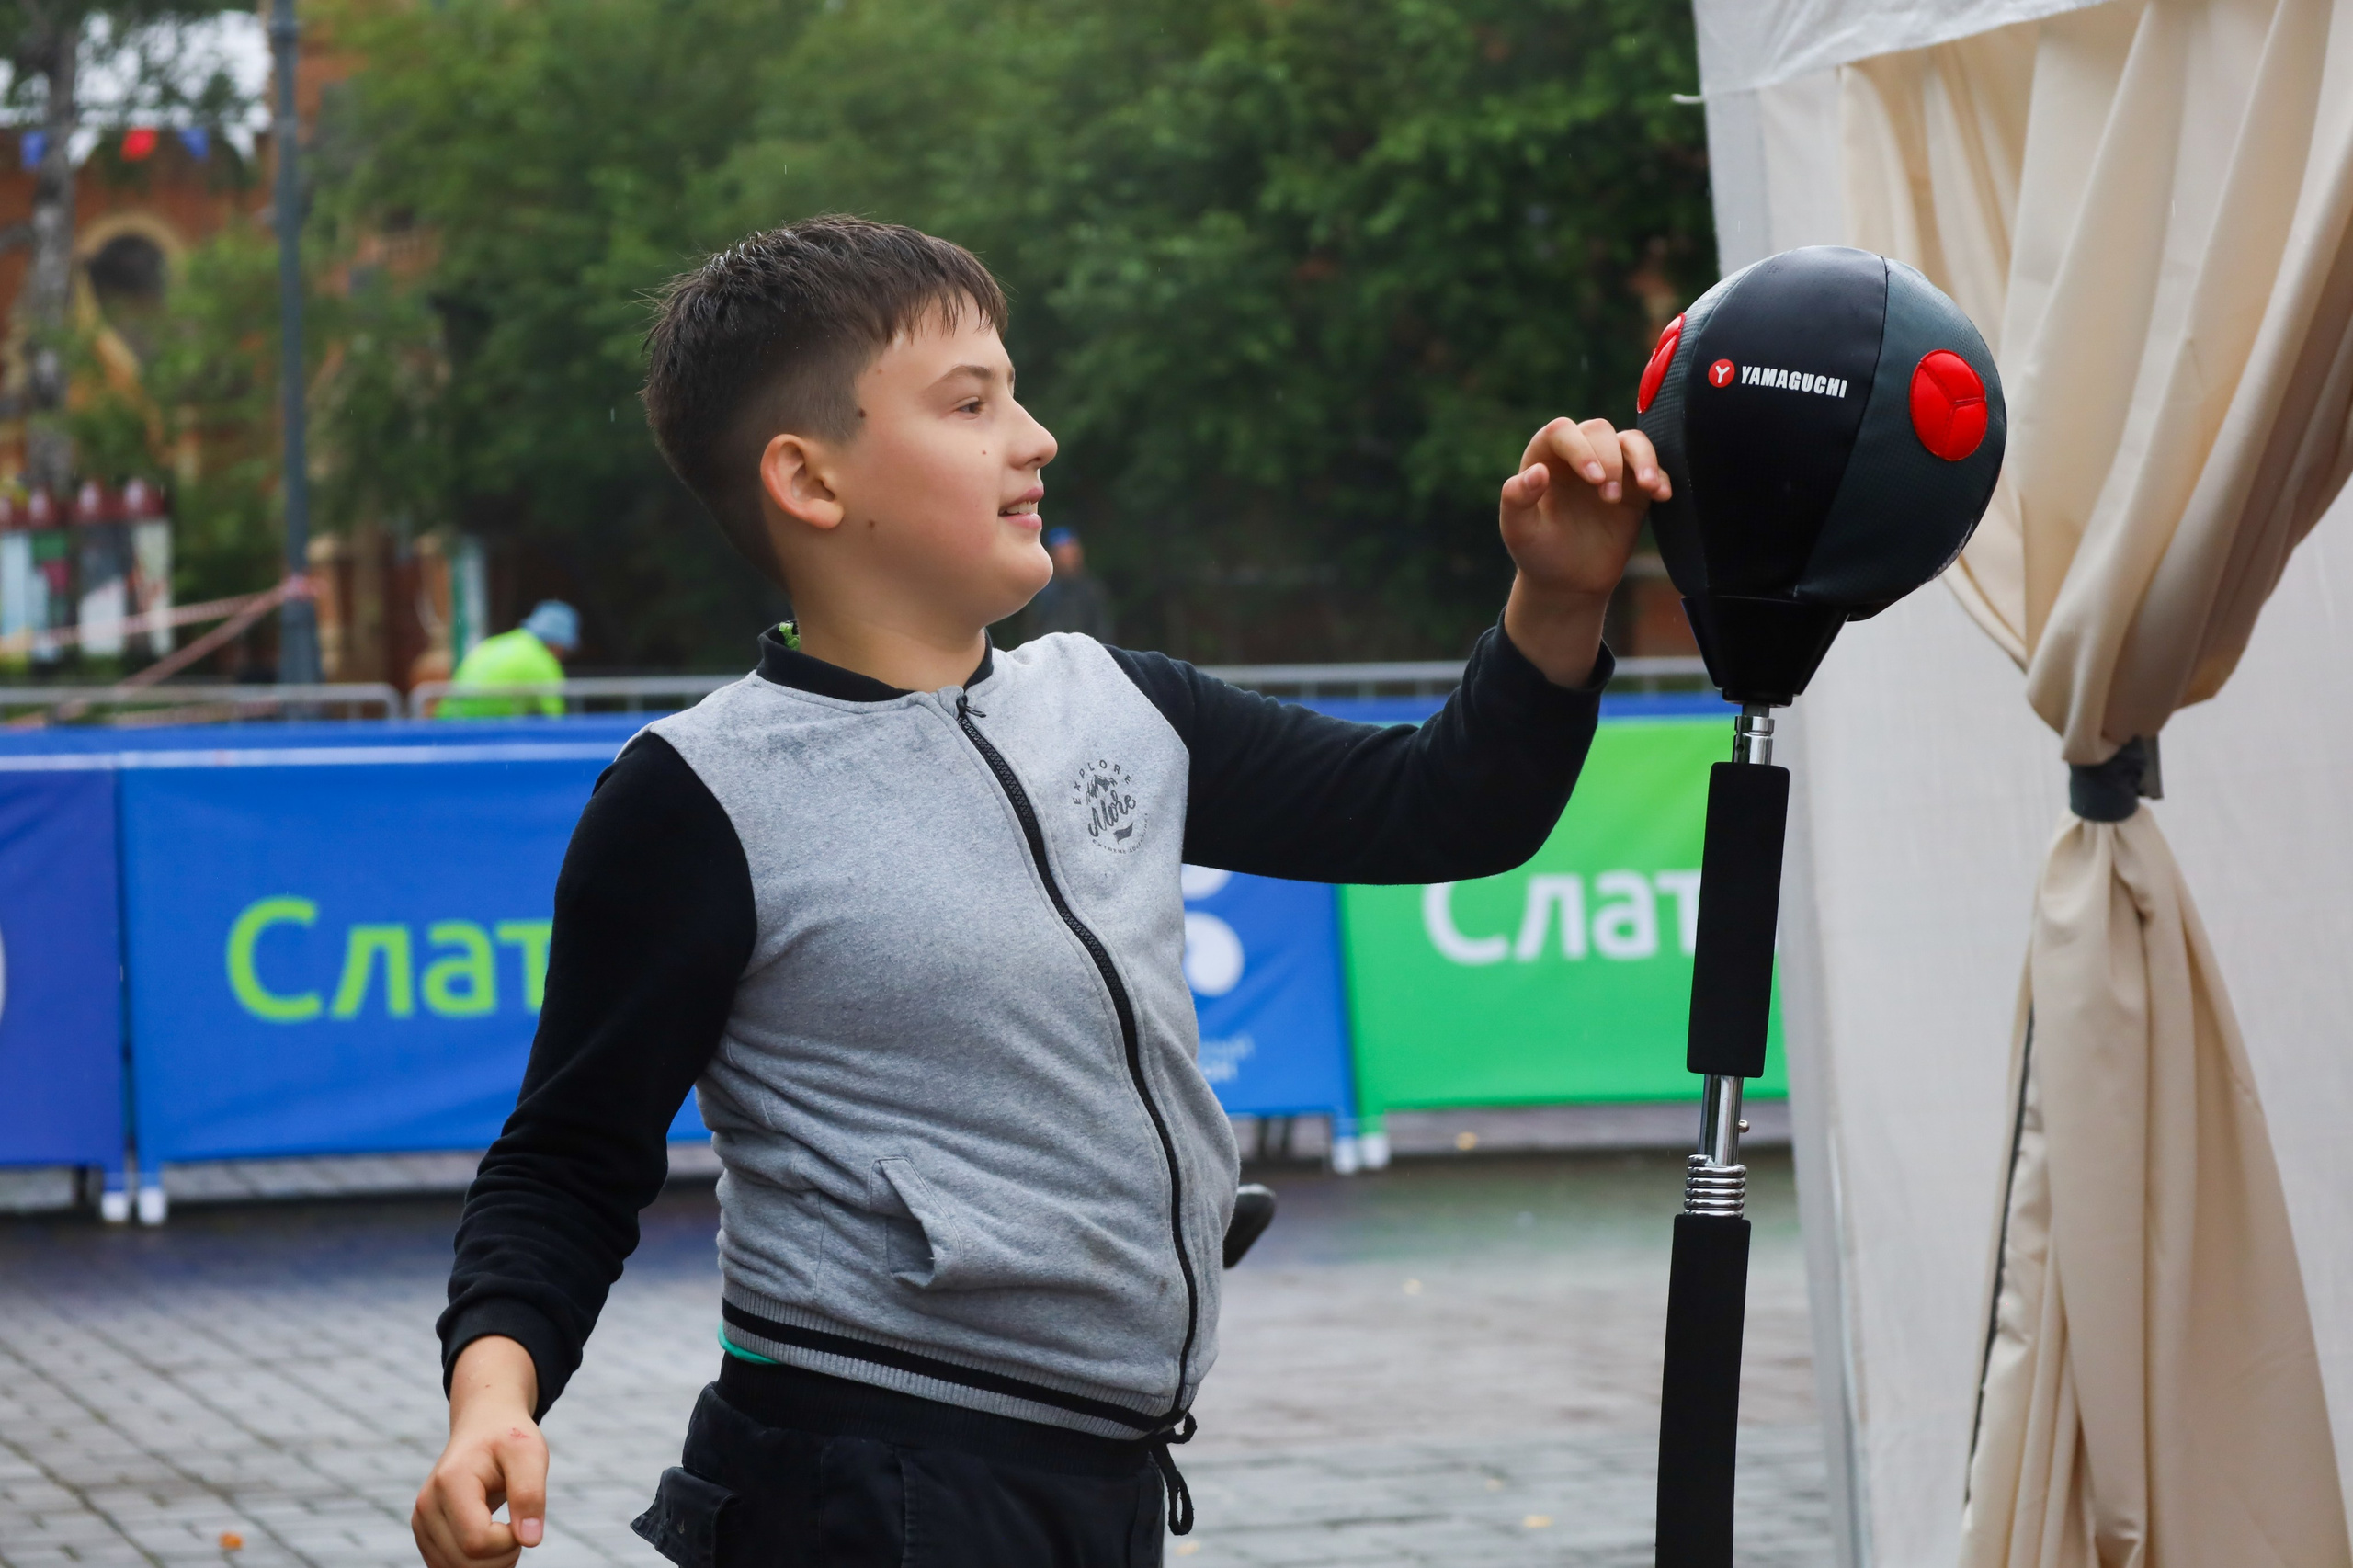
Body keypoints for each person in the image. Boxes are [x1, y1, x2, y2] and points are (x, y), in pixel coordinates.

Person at [412, 216, 1665, 1568]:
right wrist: (493, 1400)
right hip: (863, 1495)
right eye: (971, 402)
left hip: (1098, 1483)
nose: (1037, 436)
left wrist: (1558, 594)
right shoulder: (695, 795)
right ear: (810, 480)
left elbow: (1448, 807)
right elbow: (567, 1160)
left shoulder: (1121, 702)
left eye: (1015, 388)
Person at [436, 601, 577, 719]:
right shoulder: (542, 662)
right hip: (480, 735)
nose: (562, 656)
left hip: (445, 727)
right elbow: (556, 723)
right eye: (565, 651)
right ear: (558, 644)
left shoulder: (494, 644)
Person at [1026, 525, 1115, 641]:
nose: (1067, 557)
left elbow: (1102, 629)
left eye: (1070, 550)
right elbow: (1034, 629)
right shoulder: (1043, 591)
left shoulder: (1092, 589)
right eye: (1061, 552)